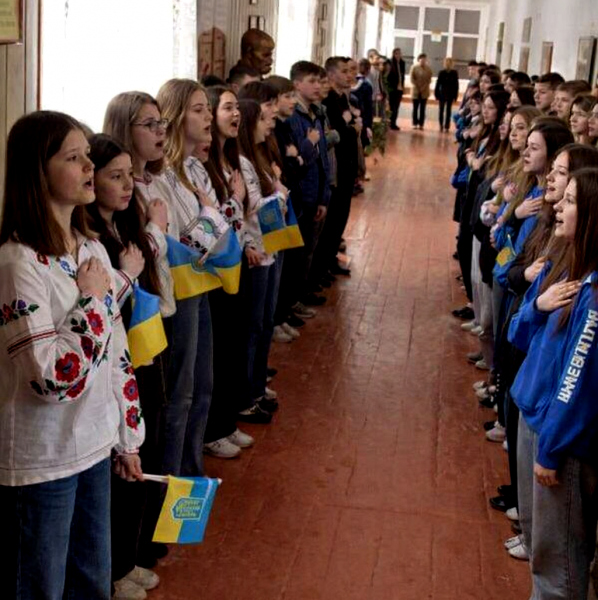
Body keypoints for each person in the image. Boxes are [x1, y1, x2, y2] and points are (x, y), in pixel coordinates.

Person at [0, 110, 144, 599]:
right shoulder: (17, 262)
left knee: (92, 582)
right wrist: (94, 300)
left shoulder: (91, 250)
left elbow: (116, 353)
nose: (89, 167)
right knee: (41, 587)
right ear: (38, 172)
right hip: (45, 458)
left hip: (95, 445)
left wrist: (127, 435)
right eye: (73, 157)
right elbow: (51, 378)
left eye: (88, 156)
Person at [508, 166, 598, 599]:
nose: (557, 205)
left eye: (571, 200)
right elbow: (517, 331)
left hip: (559, 437)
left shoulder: (592, 293)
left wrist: (551, 446)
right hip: (534, 413)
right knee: (543, 549)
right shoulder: (563, 265)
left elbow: (576, 383)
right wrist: (538, 306)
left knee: (559, 562)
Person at [86, 134, 165, 599]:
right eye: (114, 176)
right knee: (119, 469)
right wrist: (126, 274)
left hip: (138, 352)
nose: (127, 185)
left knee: (138, 452)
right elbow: (97, 308)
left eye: (128, 175)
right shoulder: (91, 240)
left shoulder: (122, 226)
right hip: (113, 362)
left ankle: (128, 557)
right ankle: (115, 569)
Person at [156, 79, 228, 477]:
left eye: (207, 110)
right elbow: (183, 242)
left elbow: (215, 232)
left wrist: (209, 219)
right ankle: (171, 481)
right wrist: (209, 219)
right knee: (180, 392)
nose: (208, 118)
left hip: (201, 284)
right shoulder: (160, 175)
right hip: (179, 291)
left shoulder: (195, 168)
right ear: (176, 116)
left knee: (203, 386)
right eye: (198, 110)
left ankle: (192, 472)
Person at [237, 99, 288, 420]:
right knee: (252, 328)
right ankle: (247, 394)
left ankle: (256, 386)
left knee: (264, 323)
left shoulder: (258, 157)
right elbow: (256, 207)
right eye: (263, 119)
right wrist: (280, 193)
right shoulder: (243, 163)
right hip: (256, 250)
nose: (270, 125)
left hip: (269, 247)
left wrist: (277, 192)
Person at [435, 57, 460, 132]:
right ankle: (441, 125)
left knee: (448, 111)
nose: (448, 64)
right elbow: (437, 84)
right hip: (442, 94)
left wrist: (455, 96)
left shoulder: (454, 73)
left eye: (450, 63)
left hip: (450, 94)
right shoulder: (441, 72)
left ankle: (447, 126)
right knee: (441, 110)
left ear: (452, 64)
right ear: (445, 64)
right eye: (447, 63)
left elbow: (456, 85)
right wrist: (436, 94)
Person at [409, 53, 432, 129]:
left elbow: (429, 79)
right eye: (421, 59)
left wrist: (423, 87)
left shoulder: (428, 69)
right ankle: (414, 123)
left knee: (423, 109)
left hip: (424, 92)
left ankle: (421, 124)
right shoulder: (414, 67)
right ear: (419, 59)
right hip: (415, 91)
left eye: (424, 59)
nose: (423, 61)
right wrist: (417, 86)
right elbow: (412, 79)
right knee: (415, 108)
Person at [387, 48, 406, 130]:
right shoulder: (390, 62)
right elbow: (388, 77)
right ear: (393, 54)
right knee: (392, 107)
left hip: (399, 89)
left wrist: (402, 87)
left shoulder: (402, 63)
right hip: (392, 89)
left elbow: (402, 76)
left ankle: (393, 123)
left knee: (396, 107)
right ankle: (390, 123)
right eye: (397, 53)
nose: (398, 55)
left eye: (400, 53)